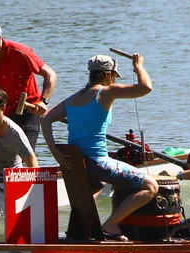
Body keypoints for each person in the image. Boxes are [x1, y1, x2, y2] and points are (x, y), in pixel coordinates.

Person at [41, 53, 157, 242]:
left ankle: (78, 231)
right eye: (113, 75)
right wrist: (138, 66)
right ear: (107, 75)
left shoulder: (72, 99)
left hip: (79, 165)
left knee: (97, 185)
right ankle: (111, 224)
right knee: (151, 186)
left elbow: (45, 118)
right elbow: (146, 87)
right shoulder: (106, 91)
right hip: (98, 163)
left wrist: (54, 151)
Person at [0, 19, 57, 150]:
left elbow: (50, 75)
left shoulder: (20, 52)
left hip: (27, 112)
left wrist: (43, 101)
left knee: (23, 155)